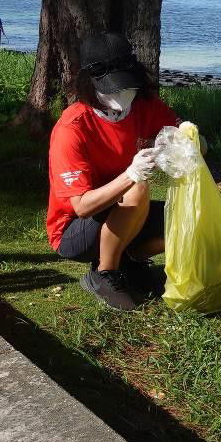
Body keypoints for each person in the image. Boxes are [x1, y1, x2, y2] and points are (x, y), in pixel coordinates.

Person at [46, 32, 179, 310]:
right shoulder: (73, 128)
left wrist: (191, 142)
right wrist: (131, 174)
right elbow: (81, 207)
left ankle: (131, 264)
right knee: (137, 188)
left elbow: (177, 131)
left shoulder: (144, 106)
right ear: (90, 84)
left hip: (125, 213)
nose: (121, 95)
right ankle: (104, 273)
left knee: (186, 219)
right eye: (112, 88)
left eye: (126, 86)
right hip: (73, 231)